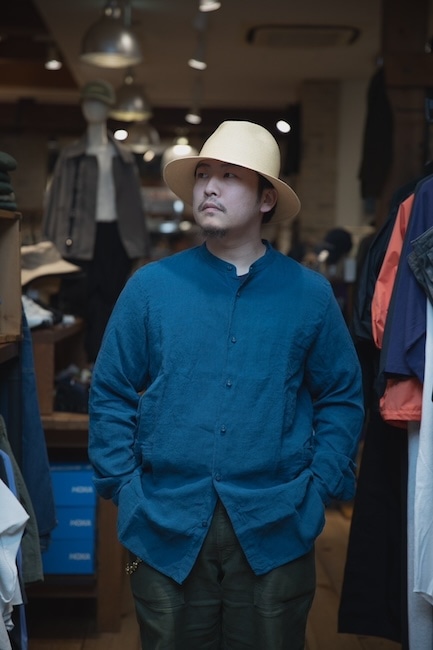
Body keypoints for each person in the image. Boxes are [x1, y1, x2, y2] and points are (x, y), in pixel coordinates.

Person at [88, 120, 364, 649]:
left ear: (266, 199)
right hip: (164, 522)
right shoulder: (150, 287)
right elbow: (110, 391)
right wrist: (124, 486)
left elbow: (342, 397)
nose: (209, 187)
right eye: (203, 174)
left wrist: (319, 485)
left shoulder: (309, 294)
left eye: (230, 176)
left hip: (276, 522)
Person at [42, 79, 150, 363]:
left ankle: (105, 366)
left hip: (116, 238)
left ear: (109, 107)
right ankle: (78, 366)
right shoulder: (71, 156)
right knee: (78, 304)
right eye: (88, 102)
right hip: (78, 238)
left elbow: (134, 204)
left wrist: (140, 245)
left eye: (99, 103)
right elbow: (56, 201)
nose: (93, 109)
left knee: (113, 304)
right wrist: (50, 241)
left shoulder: (123, 158)